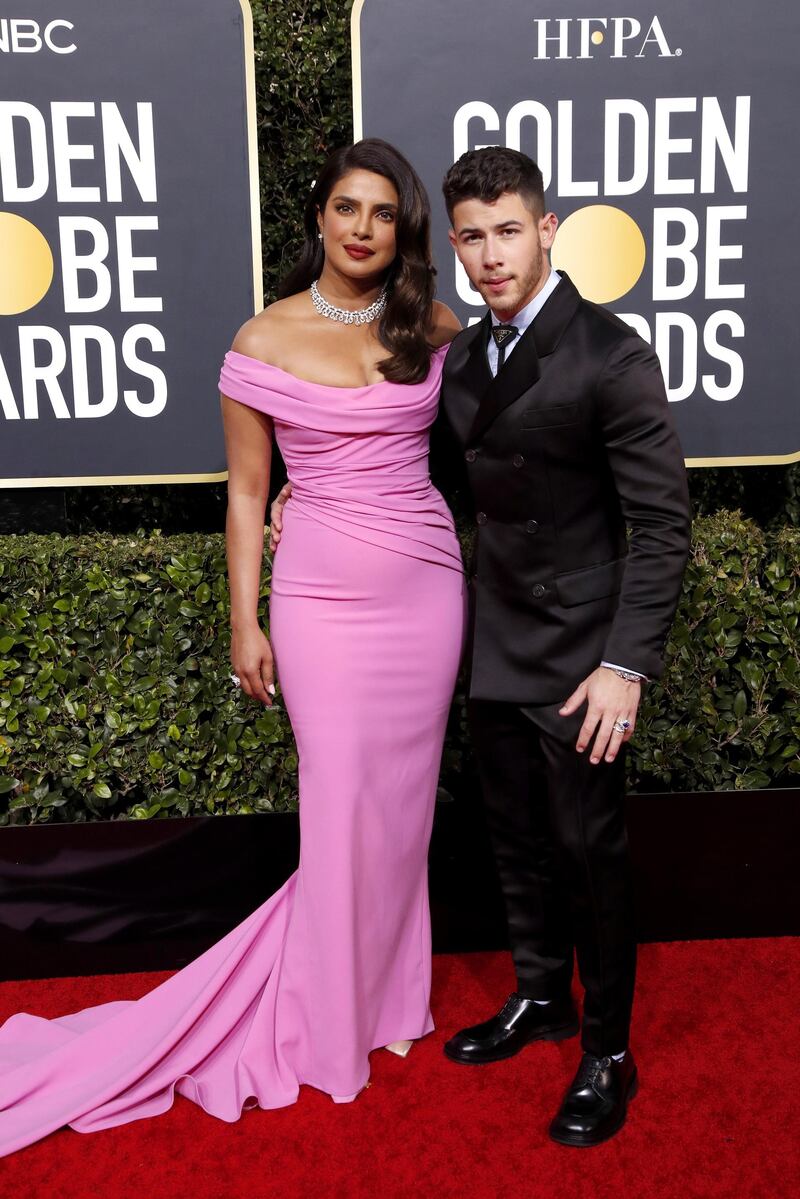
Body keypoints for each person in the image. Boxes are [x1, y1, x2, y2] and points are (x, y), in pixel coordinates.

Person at [0, 138, 465, 1157]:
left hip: (428, 589)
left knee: (399, 812)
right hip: (321, 604)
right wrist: (243, 619)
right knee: (340, 807)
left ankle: (390, 1004)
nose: (359, 227)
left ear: (403, 230)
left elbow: (494, 442)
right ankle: (330, 1020)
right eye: (345, 207)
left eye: (381, 213)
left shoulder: (431, 324)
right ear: (316, 216)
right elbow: (248, 490)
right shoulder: (262, 338)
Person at [434, 147, 692, 1147]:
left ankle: (606, 1048)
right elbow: (451, 488)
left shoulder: (608, 351)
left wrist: (623, 666)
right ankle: (538, 997)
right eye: (472, 235)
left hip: (584, 659)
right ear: (454, 244)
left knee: (588, 854)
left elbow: (662, 525)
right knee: (512, 842)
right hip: (494, 637)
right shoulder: (460, 358)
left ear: (546, 230)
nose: (491, 255)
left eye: (508, 231)